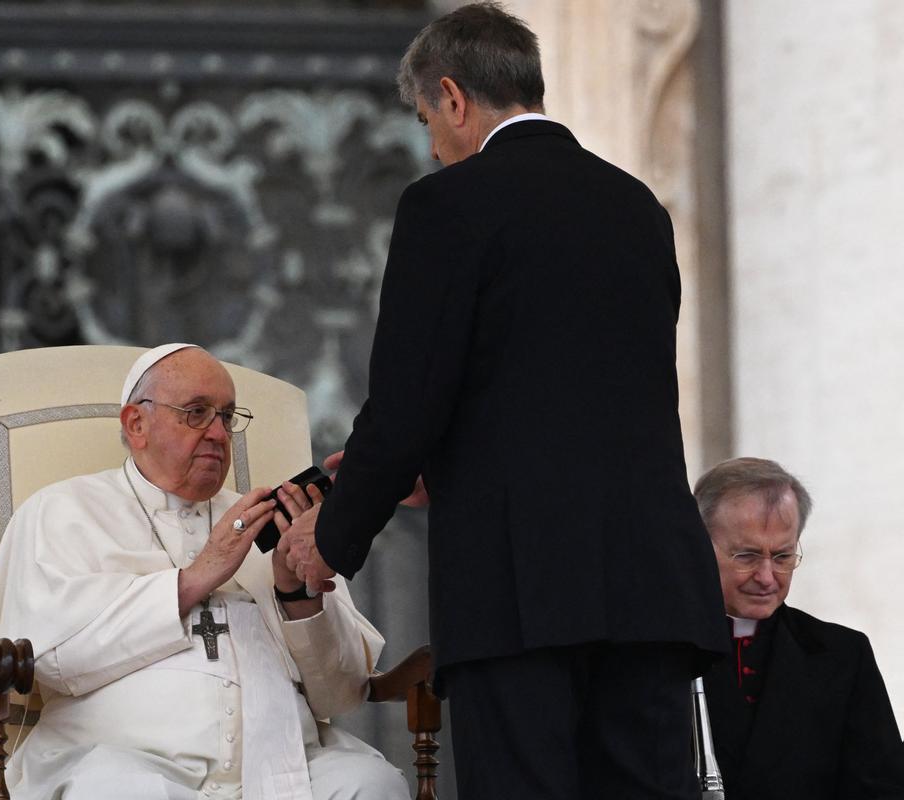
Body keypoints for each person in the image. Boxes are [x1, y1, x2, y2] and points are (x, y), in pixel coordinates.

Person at [278, 4, 730, 799]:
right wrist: (451, 466)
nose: (430, 144)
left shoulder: (447, 205)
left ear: (453, 97)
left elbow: (408, 405)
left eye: (426, 119)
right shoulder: (637, 208)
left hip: (519, 594)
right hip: (652, 590)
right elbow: (576, 389)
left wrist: (336, 535)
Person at [0, 343, 408, 800]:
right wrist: (195, 578)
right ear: (136, 424)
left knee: (374, 785)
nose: (219, 434)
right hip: (121, 761)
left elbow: (341, 696)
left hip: (283, 767)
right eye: (197, 413)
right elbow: (50, 658)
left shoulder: (274, 524)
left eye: (226, 416)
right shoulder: (62, 512)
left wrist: (295, 591)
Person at [694, 457, 904, 799]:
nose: (766, 577)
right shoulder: (659, 653)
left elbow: (882, 786)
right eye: (746, 556)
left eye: (782, 557)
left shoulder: (843, 656)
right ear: (698, 546)